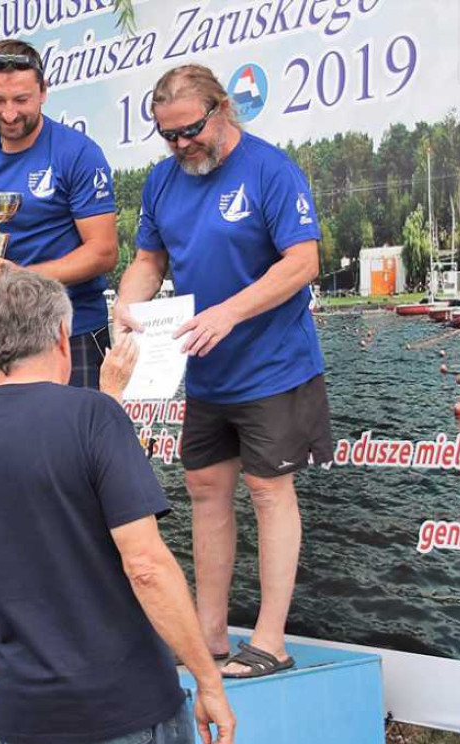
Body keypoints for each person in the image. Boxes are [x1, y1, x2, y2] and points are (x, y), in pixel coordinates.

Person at [0, 271, 235, 744]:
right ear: (60, 338)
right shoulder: (95, 416)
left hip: (25, 711)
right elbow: (146, 566)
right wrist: (207, 678)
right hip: (122, 703)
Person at [114, 64, 332, 679]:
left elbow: (303, 262)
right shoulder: (163, 181)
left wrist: (230, 314)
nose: (182, 145)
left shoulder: (271, 168)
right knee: (206, 492)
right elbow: (148, 261)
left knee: (268, 491)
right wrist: (128, 310)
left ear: (222, 110)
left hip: (274, 366)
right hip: (206, 371)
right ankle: (209, 636)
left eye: (190, 131)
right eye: (169, 136)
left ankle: (269, 642)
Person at [0, 38, 118, 401]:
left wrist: (23, 277)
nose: (9, 113)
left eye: (21, 100)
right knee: (1, 454)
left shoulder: (78, 153)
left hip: (70, 332)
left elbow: (103, 253)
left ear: (44, 91)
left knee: (74, 453)